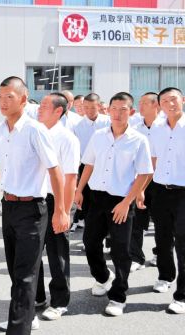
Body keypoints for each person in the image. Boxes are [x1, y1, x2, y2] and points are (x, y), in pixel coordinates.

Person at [0, 76, 68, 334]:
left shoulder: (35, 130)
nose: (2, 103)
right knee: (16, 271)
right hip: (9, 207)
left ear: (23, 99)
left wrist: (61, 210)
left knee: (26, 274)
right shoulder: (2, 129)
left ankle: (19, 327)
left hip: (32, 210)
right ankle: (25, 316)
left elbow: (55, 171)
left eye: (9, 97)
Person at [74, 92, 153, 316]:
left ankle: (118, 296)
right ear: (107, 110)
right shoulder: (99, 136)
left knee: (120, 250)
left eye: (123, 109)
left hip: (121, 200)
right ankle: (103, 277)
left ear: (132, 112)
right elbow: (88, 165)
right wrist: (79, 190)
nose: (118, 114)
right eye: (114, 109)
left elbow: (144, 173)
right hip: (97, 198)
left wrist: (127, 202)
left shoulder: (139, 140)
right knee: (90, 243)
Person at [35, 93, 80, 320]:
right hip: (36, 199)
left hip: (57, 199)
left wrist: (63, 209)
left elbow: (71, 178)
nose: (39, 109)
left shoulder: (67, 139)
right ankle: (37, 296)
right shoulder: (35, 132)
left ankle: (60, 300)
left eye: (44, 106)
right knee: (33, 251)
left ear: (58, 111)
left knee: (57, 251)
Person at [149, 87, 185, 314]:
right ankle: (165, 275)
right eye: (164, 101)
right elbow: (152, 159)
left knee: (183, 242)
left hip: (183, 192)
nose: (170, 104)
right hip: (160, 190)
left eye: (173, 99)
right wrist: (143, 189)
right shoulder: (157, 128)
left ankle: (182, 295)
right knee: (162, 237)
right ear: (160, 105)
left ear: (182, 100)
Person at [130, 92, 161, 272]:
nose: (140, 106)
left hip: (159, 182)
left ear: (155, 105)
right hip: (139, 179)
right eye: (139, 102)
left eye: (144, 103)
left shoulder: (165, 126)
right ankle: (136, 257)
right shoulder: (135, 127)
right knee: (136, 220)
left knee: (161, 221)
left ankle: (159, 253)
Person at [72, 93, 110, 231]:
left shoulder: (108, 121)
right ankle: (89, 235)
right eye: (85, 107)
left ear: (99, 106)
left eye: (92, 107)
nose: (88, 111)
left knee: (107, 200)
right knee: (87, 202)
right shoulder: (78, 125)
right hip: (85, 166)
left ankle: (109, 237)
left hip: (106, 165)